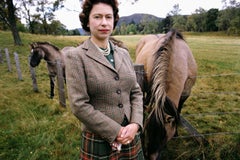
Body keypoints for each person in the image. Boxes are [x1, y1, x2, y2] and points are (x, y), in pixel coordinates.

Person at [64, 0, 145, 159]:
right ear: (87, 21)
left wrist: (135, 124)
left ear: (114, 20)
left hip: (131, 136)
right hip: (99, 140)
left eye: (108, 17)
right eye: (97, 17)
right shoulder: (76, 56)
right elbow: (78, 104)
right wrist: (115, 131)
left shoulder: (123, 53)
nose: (104, 22)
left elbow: (135, 92)